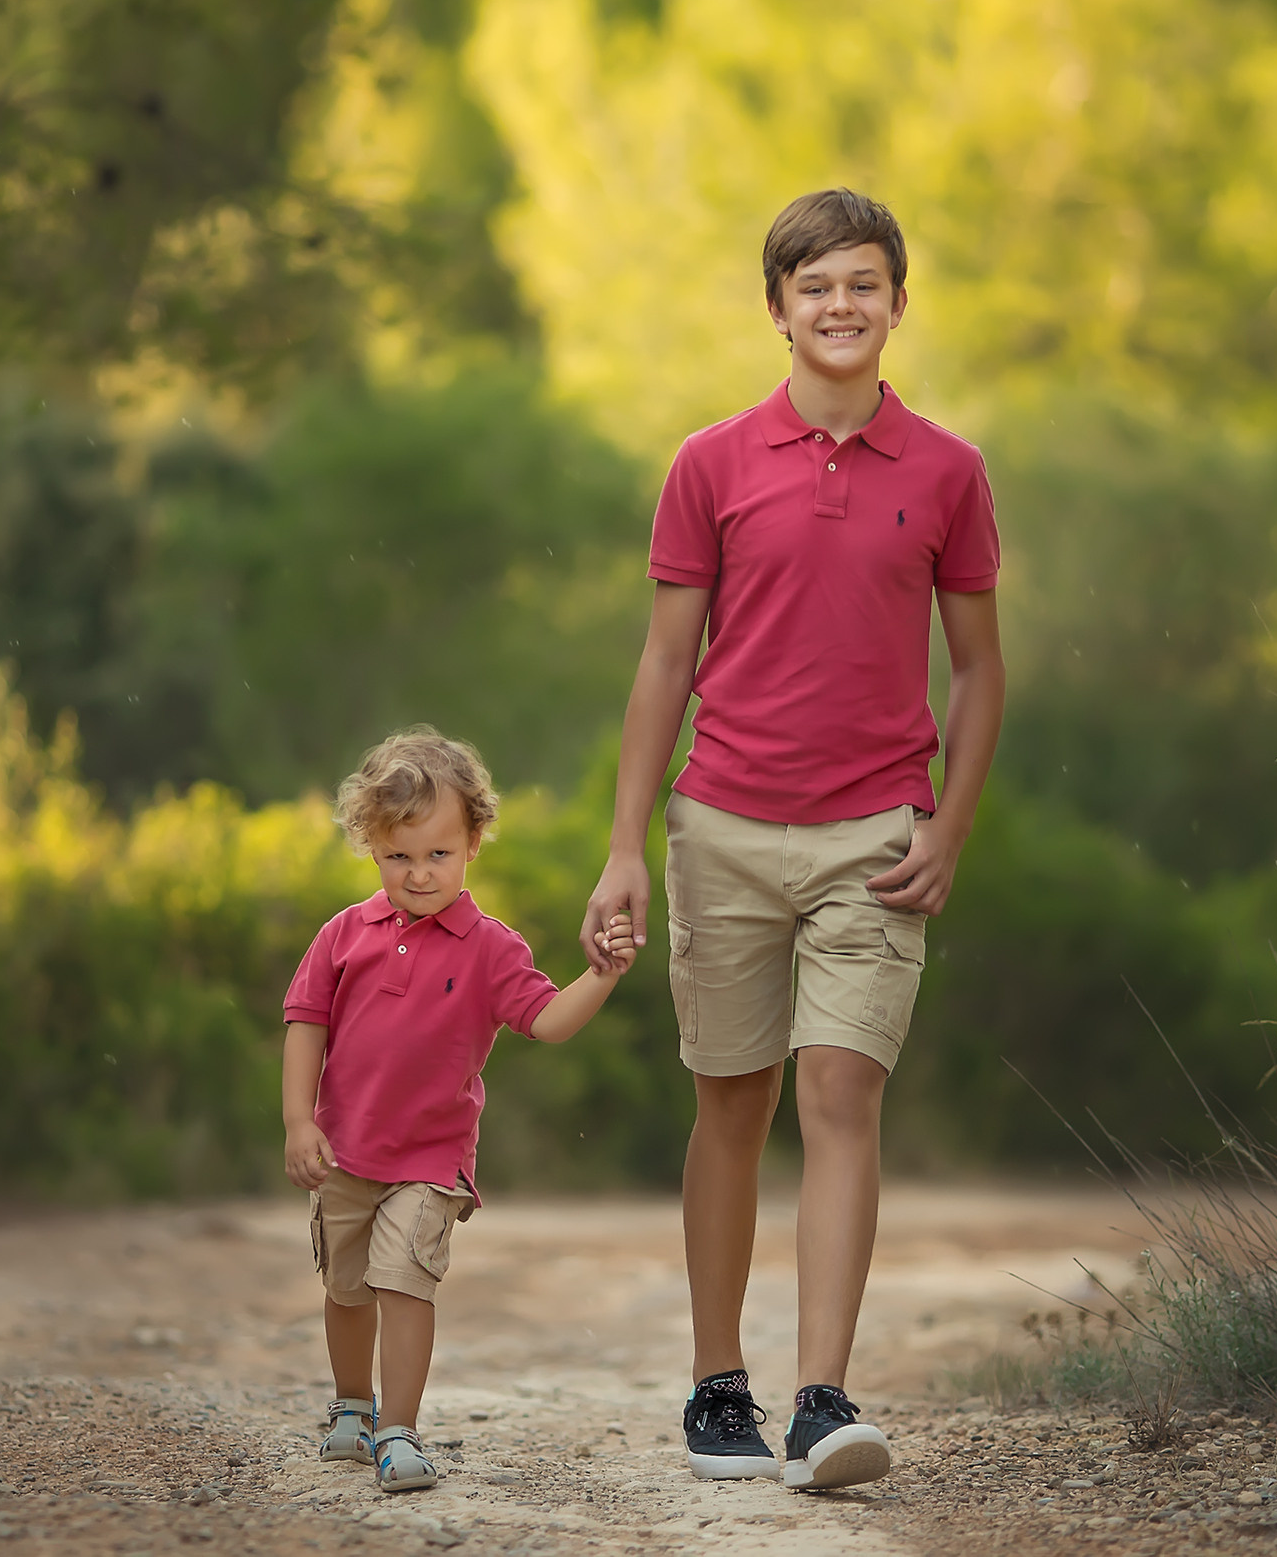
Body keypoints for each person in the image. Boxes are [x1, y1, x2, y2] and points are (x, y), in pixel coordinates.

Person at [578, 188, 1004, 1491]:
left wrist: (949, 827)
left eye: (864, 283)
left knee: (842, 1090)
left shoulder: (946, 470)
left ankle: (823, 1399)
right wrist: (623, 844)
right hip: (722, 822)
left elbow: (979, 673)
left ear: (897, 304)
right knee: (733, 1101)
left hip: (876, 830)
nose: (840, 305)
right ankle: (721, 1388)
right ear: (778, 308)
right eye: (815, 285)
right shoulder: (710, 463)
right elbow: (664, 663)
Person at [284, 726, 637, 1494]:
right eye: (398, 856)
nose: (417, 874)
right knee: (346, 1288)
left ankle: (400, 1431)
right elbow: (305, 1021)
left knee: (405, 1282)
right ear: (371, 847)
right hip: (345, 1151)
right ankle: (352, 1407)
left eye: (437, 854)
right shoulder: (343, 935)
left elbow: (547, 1021)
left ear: (474, 841)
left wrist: (601, 975)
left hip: (431, 1161)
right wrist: (298, 1121)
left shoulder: (490, 949)